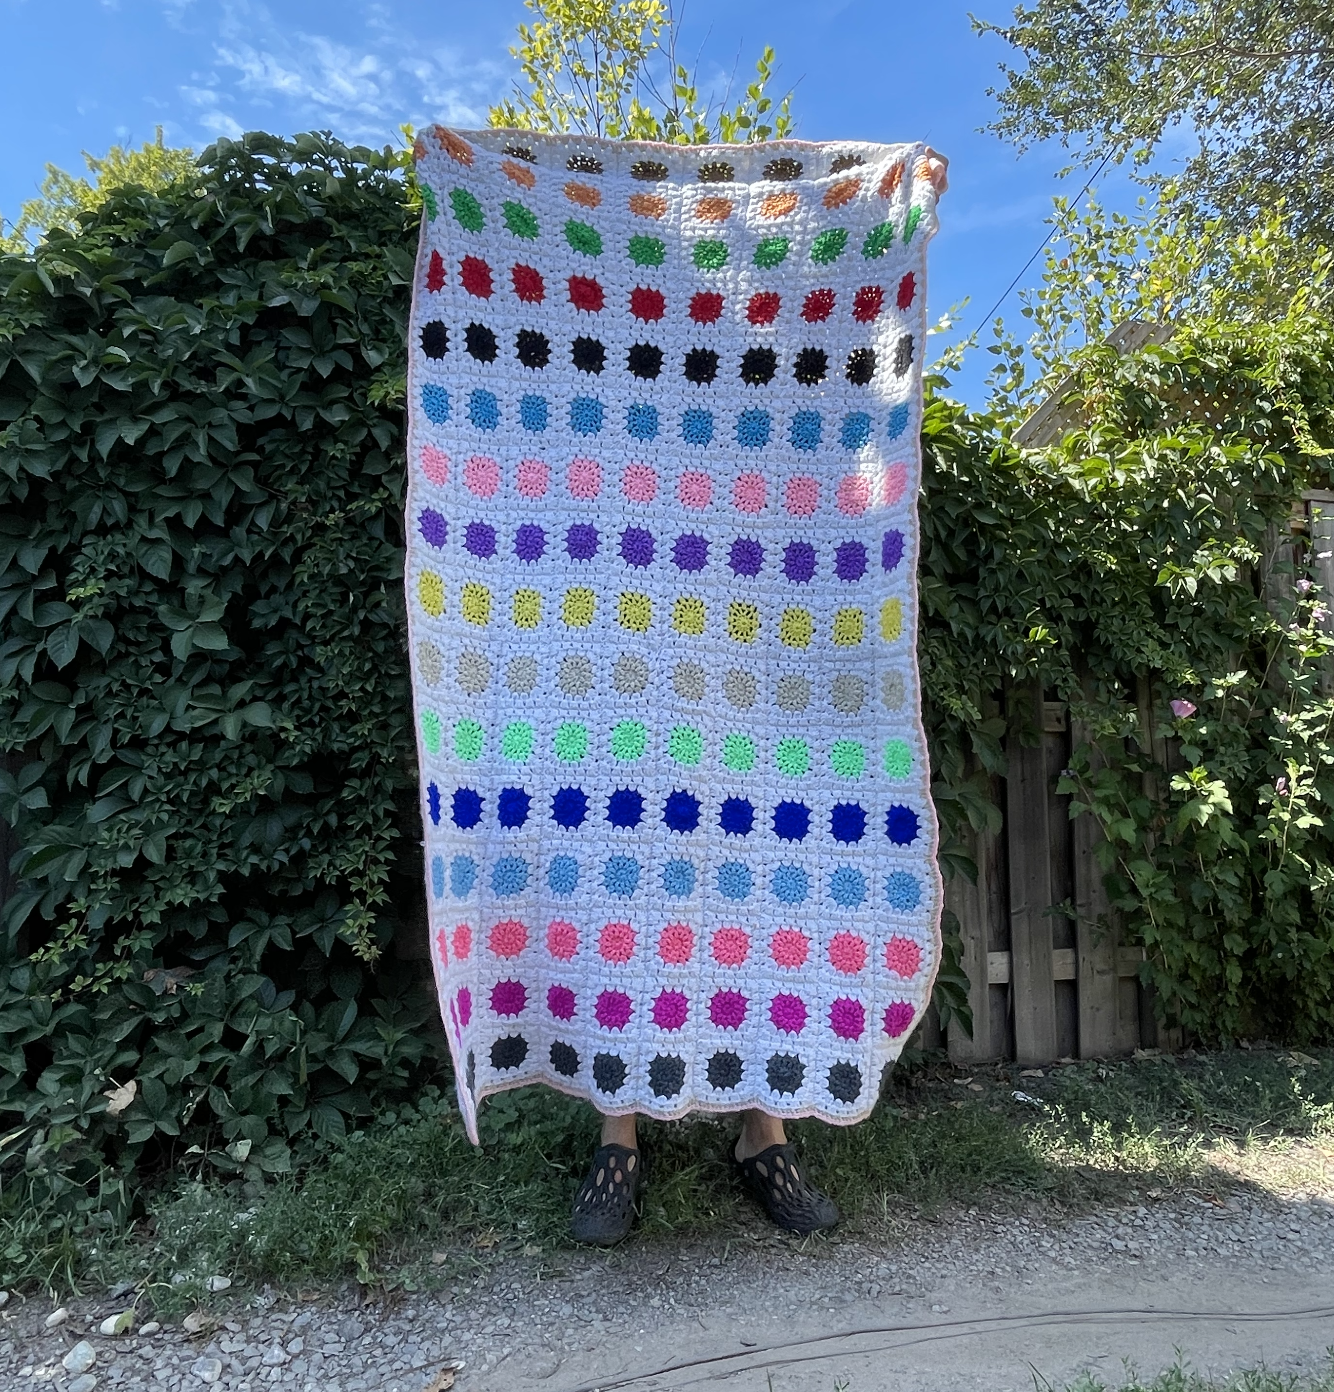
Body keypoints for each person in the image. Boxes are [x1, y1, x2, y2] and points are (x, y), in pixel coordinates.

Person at [565, 149, 952, 1248]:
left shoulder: (761, 406)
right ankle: (616, 1143)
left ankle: (762, 1136)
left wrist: (899, 204)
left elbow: (822, 430)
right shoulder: (616, 403)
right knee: (619, 891)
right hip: (629, 682)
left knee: (753, 900)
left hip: (753, 687)